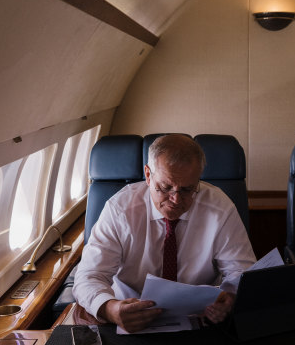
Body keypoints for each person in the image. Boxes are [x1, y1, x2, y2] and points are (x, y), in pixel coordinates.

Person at [73, 134, 256, 332]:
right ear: (148, 175)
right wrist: (111, 309)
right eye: (165, 187)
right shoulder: (119, 209)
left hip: (197, 318)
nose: (176, 200)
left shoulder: (220, 208)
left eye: (187, 189)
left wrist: (230, 299)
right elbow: (89, 276)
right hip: (130, 314)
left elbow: (242, 272)